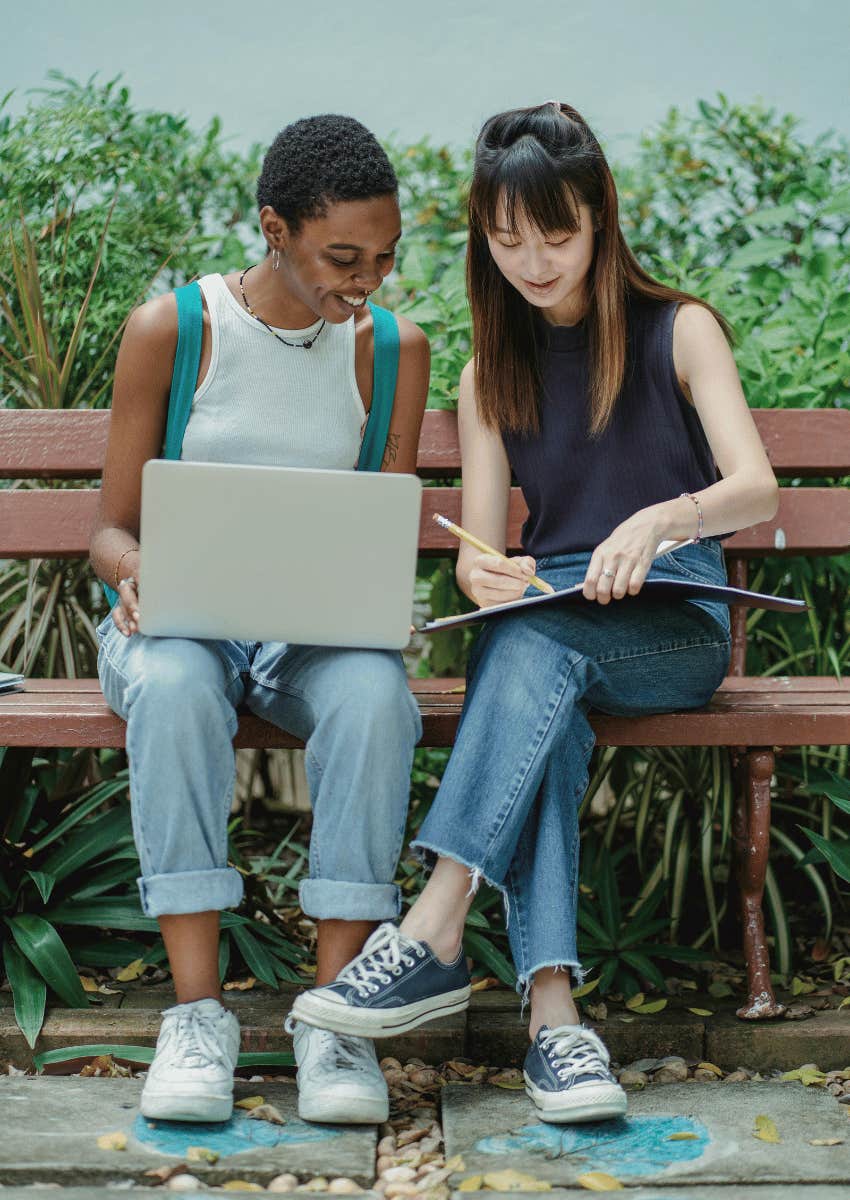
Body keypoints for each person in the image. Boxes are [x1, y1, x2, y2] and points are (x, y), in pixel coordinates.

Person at [289, 102, 779, 1124]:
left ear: (599, 217)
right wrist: (489, 577)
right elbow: (480, 554)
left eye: (555, 234)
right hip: (550, 627)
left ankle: (434, 926)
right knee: (530, 654)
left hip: (669, 625)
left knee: (532, 651)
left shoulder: (677, 329)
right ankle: (556, 1026)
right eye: (507, 240)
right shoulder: (488, 374)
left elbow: (756, 487)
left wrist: (663, 520)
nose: (534, 261)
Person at [89, 114, 430, 1126]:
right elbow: (108, 530)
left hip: (308, 637)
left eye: (383, 257)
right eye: (341, 256)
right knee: (180, 681)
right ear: (275, 228)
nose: (364, 279)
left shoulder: (389, 349)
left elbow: (379, 522)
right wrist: (141, 571)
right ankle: (198, 1015)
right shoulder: (175, 329)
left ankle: (332, 1021)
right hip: (179, 626)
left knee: (375, 696)